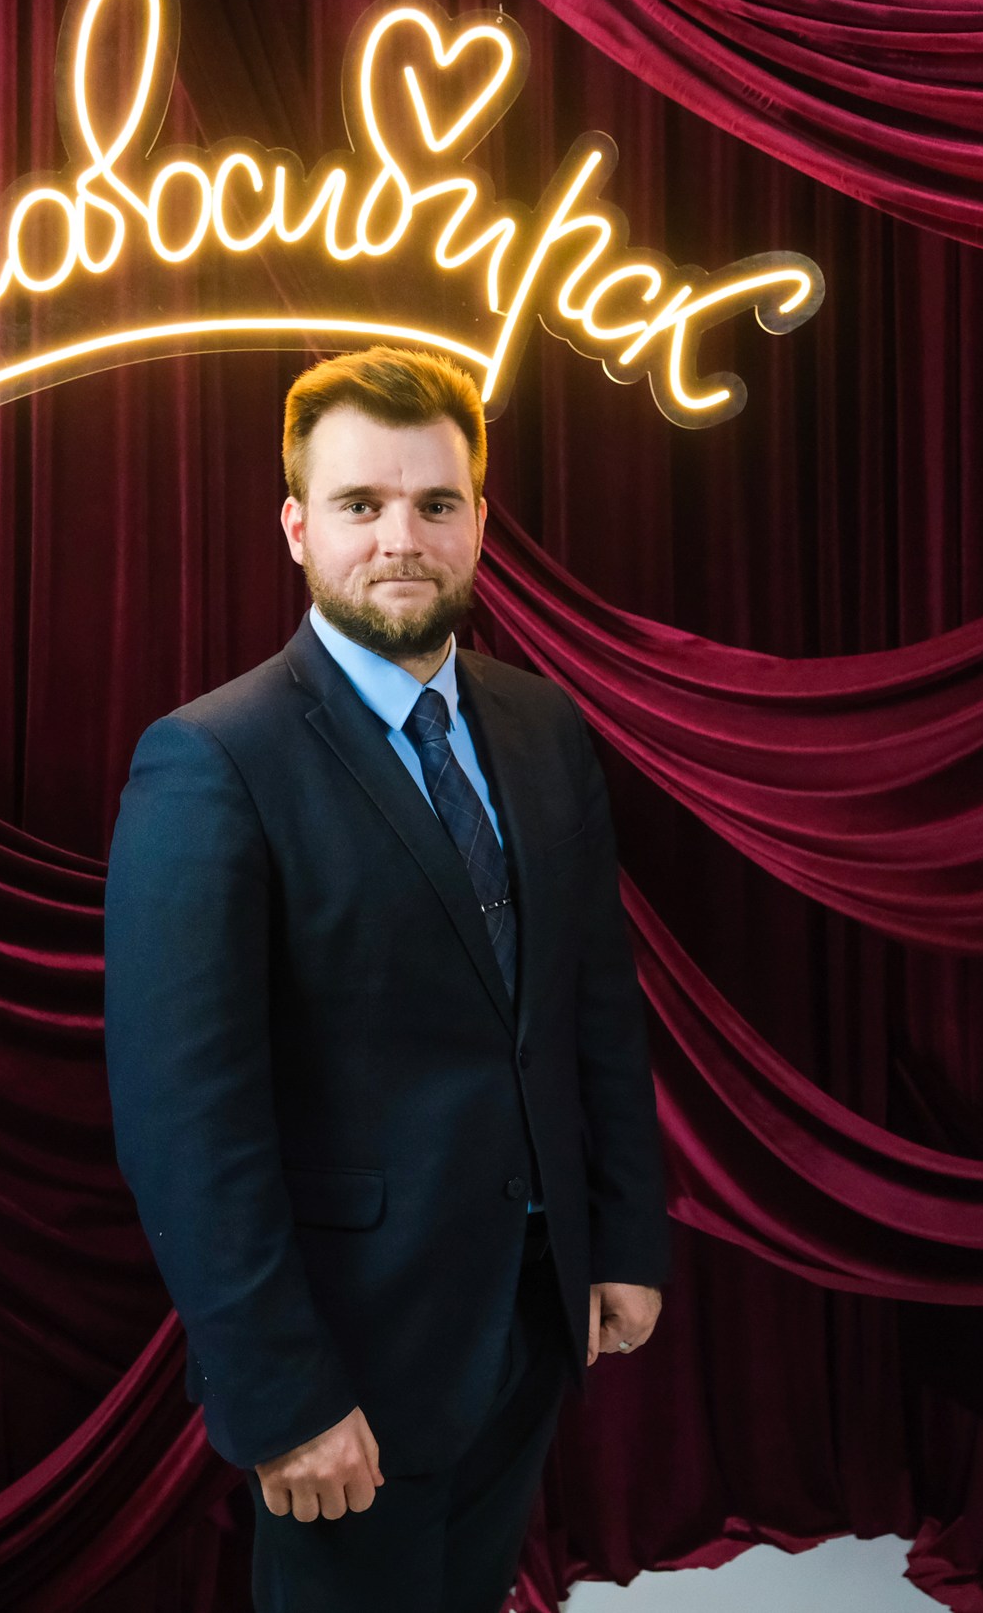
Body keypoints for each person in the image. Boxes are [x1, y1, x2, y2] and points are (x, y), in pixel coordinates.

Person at [104, 346, 671, 1613]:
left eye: (434, 503)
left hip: (530, 1316)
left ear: (479, 520)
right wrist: (282, 1396)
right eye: (360, 504)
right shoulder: (210, 761)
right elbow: (185, 1124)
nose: (400, 538)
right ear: (297, 528)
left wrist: (622, 1235)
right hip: (345, 1359)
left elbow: (592, 1004)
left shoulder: (541, 726)